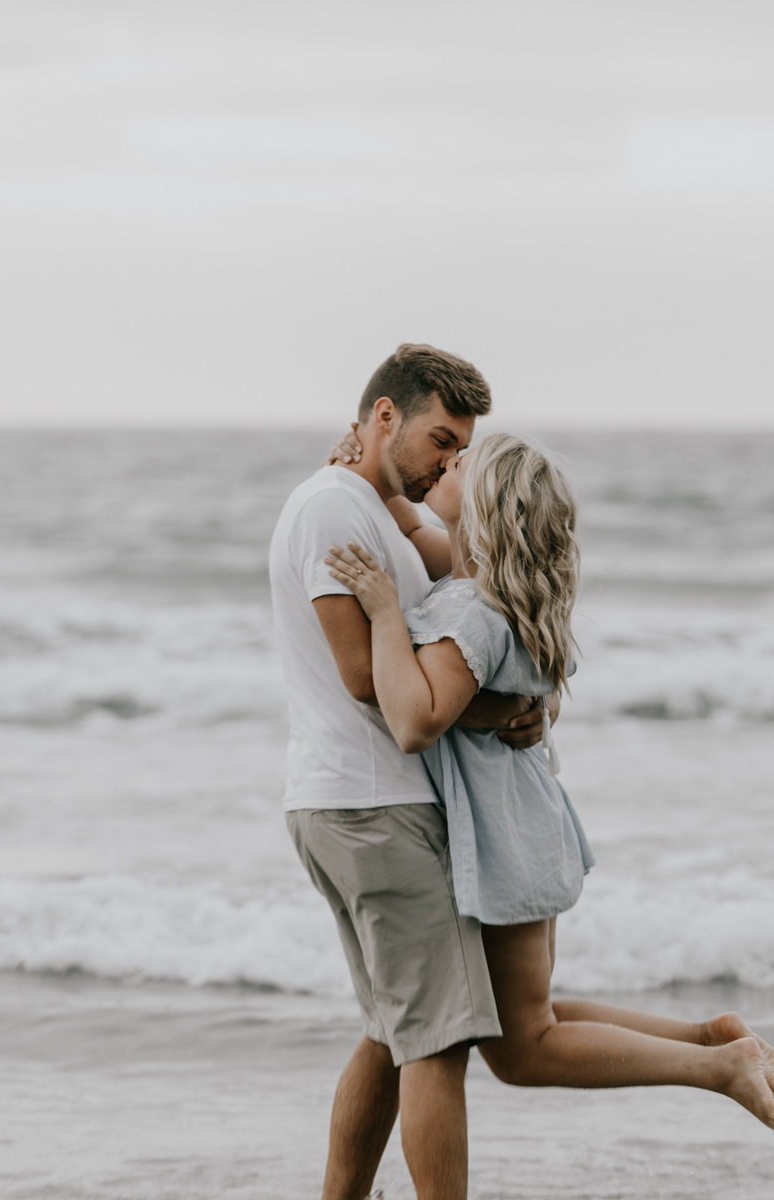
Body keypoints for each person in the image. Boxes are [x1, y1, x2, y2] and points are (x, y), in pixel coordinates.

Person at [324, 431, 774, 1153]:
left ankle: (715, 1066)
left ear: (480, 516)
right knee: (529, 1018)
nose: (442, 466)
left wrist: (386, 615)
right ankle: (707, 1038)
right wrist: (370, 478)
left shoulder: (471, 615)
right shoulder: (497, 594)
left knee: (524, 1049)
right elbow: (416, 528)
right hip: (528, 829)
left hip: (509, 842)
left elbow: (417, 719)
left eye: (456, 468)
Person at [271, 344, 546, 1200]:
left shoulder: (366, 505)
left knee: (393, 1032)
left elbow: (457, 563)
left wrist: (391, 487)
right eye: (440, 439)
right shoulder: (331, 511)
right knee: (436, 1041)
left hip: (352, 801)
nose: (449, 462)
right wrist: (501, 713)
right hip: (373, 803)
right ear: (383, 416)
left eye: (461, 449)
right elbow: (367, 678)